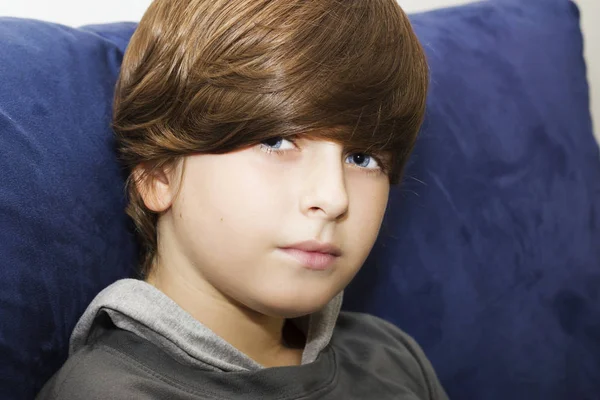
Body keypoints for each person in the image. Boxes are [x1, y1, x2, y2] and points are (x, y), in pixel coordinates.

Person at [37, 0, 448, 398]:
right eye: (277, 141)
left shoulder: (391, 357)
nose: (334, 197)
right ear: (158, 174)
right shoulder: (107, 391)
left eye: (363, 158)